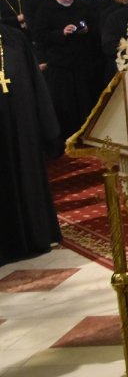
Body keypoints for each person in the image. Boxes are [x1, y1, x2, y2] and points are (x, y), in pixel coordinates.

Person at [0, 22, 62, 265]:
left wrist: (48, 125)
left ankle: (35, 237)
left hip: (21, 124)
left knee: (25, 174)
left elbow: (36, 83)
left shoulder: (14, 39)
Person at [34, 0, 105, 142]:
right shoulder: (45, 10)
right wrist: (61, 33)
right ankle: (66, 137)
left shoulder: (83, 6)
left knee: (85, 101)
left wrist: (87, 30)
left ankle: (87, 134)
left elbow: (97, 29)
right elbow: (39, 36)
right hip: (59, 65)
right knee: (64, 103)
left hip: (82, 62)